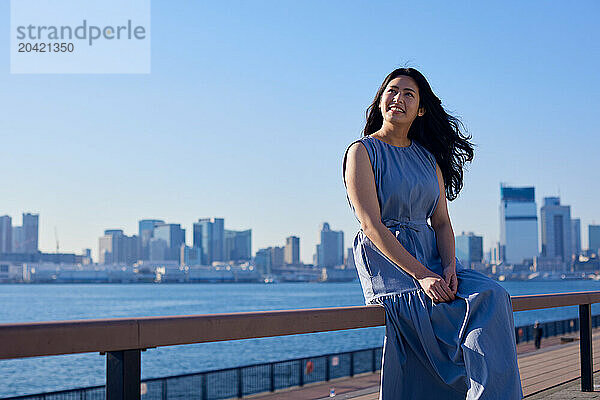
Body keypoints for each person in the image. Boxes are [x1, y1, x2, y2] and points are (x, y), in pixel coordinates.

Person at [342, 68, 523, 399]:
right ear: (380, 100)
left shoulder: (428, 160)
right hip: (392, 266)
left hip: (434, 260)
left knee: (494, 296)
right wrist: (423, 275)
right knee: (450, 316)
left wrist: (450, 267)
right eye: (392, 91)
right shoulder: (362, 152)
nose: (398, 98)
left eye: (409, 94)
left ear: (421, 109)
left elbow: (441, 222)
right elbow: (370, 224)